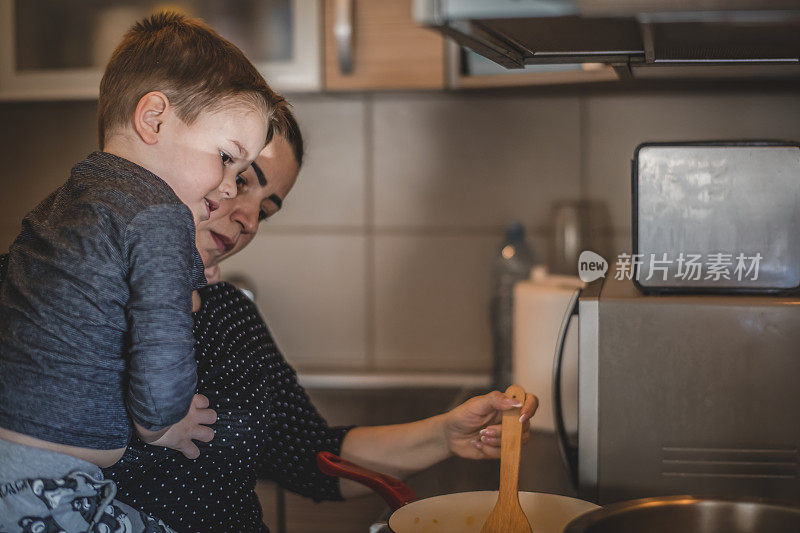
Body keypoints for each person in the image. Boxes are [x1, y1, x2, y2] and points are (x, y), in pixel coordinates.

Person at [103, 102, 539, 532]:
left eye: (267, 209)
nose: (250, 218)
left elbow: (311, 454)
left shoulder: (230, 313)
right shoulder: (80, 303)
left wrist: (445, 434)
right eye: (239, 180)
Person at [0, 12, 273, 532]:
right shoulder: (160, 214)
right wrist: (162, 424)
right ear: (154, 119)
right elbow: (162, 346)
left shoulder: (75, 197)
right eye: (227, 158)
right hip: (53, 486)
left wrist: (185, 273)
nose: (232, 188)